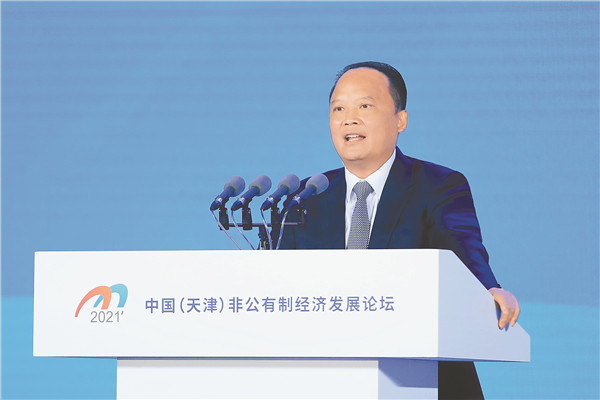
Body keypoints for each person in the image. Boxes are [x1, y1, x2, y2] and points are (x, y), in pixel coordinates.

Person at [279, 61, 520, 399]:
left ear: (400, 120)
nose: (349, 119)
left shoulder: (438, 185)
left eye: (365, 106)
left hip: (424, 378)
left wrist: (487, 289)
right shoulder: (307, 195)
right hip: (328, 380)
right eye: (339, 109)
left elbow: (462, 248)